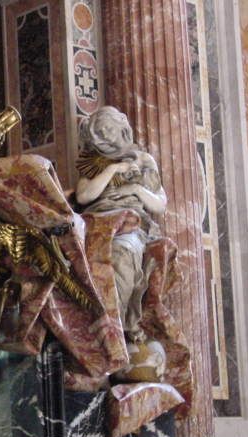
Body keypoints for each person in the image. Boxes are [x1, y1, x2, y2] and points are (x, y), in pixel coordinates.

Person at [75, 106, 168, 344]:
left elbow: (159, 203)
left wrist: (136, 189)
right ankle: (90, 325)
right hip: (96, 223)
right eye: (99, 134)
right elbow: (84, 197)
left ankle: (116, 327)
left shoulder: (144, 160)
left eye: (108, 130)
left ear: (122, 128)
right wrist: (112, 169)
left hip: (128, 224)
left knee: (121, 258)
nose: (105, 137)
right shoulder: (93, 163)